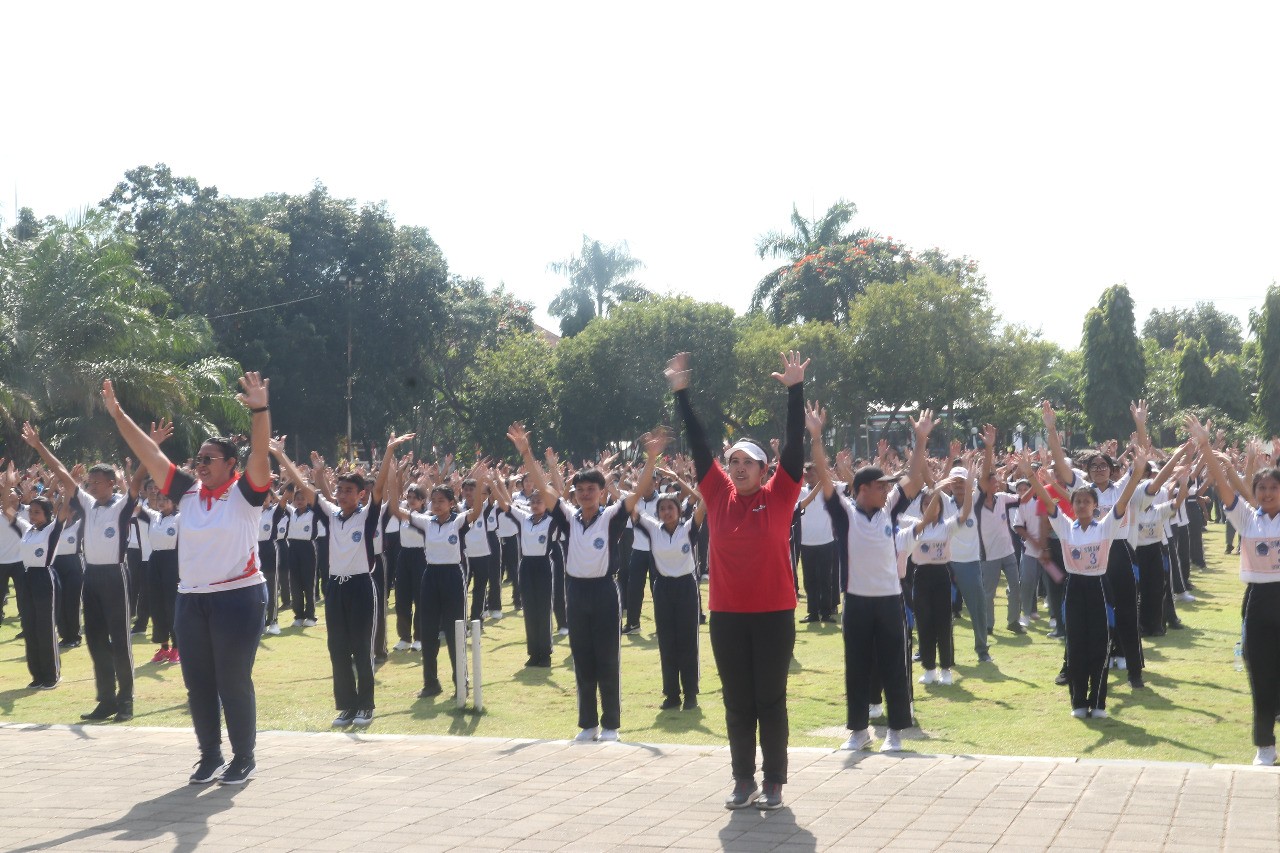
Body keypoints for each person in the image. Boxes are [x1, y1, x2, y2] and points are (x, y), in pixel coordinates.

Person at [101, 373, 272, 785]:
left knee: (232, 680)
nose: (200, 464)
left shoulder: (247, 492)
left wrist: (260, 410)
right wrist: (117, 413)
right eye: (197, 458)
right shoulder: (188, 491)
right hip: (191, 599)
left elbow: (261, 452)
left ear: (231, 464)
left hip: (239, 597)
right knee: (198, 683)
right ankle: (210, 755)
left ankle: (243, 757)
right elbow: (146, 449)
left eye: (209, 459)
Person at [667, 350, 806, 811]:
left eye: (748, 461)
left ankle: (774, 783)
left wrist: (794, 391)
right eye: (734, 462)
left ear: (765, 469)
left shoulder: (781, 494)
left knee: (771, 700)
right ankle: (742, 780)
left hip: (773, 615)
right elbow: (698, 442)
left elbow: (796, 447)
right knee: (737, 702)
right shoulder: (717, 494)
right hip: (727, 616)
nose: (739, 467)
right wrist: (682, 395)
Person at [507, 422, 664, 746]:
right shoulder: (566, 515)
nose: (585, 493)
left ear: (602, 492)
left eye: (592, 489)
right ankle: (587, 724)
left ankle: (610, 725)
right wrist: (526, 452)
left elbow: (637, 493)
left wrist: (651, 460)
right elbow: (543, 486)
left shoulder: (611, 516)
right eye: (580, 490)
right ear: (575, 493)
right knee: (582, 657)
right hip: (575, 592)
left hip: (605, 591)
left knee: (607, 657)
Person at [814, 404, 933, 753]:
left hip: (889, 600)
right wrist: (817, 436)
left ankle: (895, 732)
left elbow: (911, 477)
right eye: (880, 486)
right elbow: (822, 474)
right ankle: (859, 731)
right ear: (863, 488)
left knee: (894, 664)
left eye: (886, 487)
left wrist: (921, 439)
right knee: (858, 667)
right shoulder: (845, 513)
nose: (886, 490)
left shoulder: (890, 510)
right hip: (856, 602)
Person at [272, 435, 408, 727]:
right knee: (337, 648)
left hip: (361, 585)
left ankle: (365, 705)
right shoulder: (332, 515)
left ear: (360, 495)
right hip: (336, 587)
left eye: (349, 490)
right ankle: (346, 705)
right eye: (340, 489)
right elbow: (306, 488)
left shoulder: (367, 516)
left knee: (361, 647)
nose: (342, 494)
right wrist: (282, 456)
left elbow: (381, 487)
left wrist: (387, 451)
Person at [1018, 445, 1146, 719]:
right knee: (1076, 643)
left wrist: (1136, 474)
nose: (1082, 506)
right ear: (1072, 506)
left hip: (1099, 587)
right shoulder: (1064, 525)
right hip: (1075, 588)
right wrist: (1031, 476)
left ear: (1095, 506)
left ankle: (1098, 702)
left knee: (1099, 644)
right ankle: (1078, 701)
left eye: (1087, 502)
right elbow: (1048, 503)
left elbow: (1123, 501)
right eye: (1078, 502)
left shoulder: (1106, 526)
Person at [24, 423, 139, 722]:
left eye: (97, 482)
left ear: (112, 484)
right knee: (96, 641)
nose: (90, 487)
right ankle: (106, 699)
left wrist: (146, 447)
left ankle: (126, 700)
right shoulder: (87, 504)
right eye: (89, 483)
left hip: (115, 576)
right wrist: (39, 445)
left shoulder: (123, 506)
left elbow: (138, 482)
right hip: (92, 578)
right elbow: (61, 471)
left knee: (120, 641)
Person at [1187, 414, 1280, 766]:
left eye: (1274, 488)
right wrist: (1205, 446)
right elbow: (1225, 486)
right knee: (1260, 673)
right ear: (1254, 493)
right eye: (1262, 489)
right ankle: (1264, 747)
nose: (1268, 493)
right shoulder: (1245, 518)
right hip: (1258, 602)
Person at [388, 463, 487, 698]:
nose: (436, 504)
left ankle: (460, 683)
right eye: (433, 500)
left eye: (441, 500)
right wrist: (393, 478)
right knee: (429, 632)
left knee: (455, 633)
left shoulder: (458, 521)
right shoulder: (426, 522)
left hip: (453, 576)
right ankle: (431, 683)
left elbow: (476, 511)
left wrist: (481, 482)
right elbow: (395, 508)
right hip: (430, 577)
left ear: (451, 503)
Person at [631, 471, 705, 710]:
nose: (666, 512)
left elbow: (704, 501)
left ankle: (691, 694)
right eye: (662, 509)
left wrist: (677, 477)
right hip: (663, 588)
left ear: (679, 510)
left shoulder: (688, 528)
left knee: (687, 642)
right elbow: (631, 506)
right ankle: (671, 694)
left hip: (686, 587)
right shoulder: (652, 528)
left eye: (671, 508)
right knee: (667, 642)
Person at [490, 475, 558, 667]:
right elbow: (504, 504)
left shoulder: (551, 521)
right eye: (533, 501)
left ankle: (545, 653)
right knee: (529, 610)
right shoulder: (524, 519)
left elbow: (558, 498)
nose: (536, 505)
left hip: (544, 565)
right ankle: (533, 653)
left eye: (539, 502)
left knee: (543, 610)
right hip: (526, 565)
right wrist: (493, 484)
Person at [4, 480, 67, 689]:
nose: (32, 516)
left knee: (46, 628)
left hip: (44, 578)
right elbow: (7, 510)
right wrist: (7, 487)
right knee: (29, 627)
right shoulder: (27, 529)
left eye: (37, 512)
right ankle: (37, 675)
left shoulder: (52, 529)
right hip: (26, 578)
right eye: (31, 512)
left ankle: (52, 675)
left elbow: (64, 511)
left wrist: (70, 485)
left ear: (47, 514)